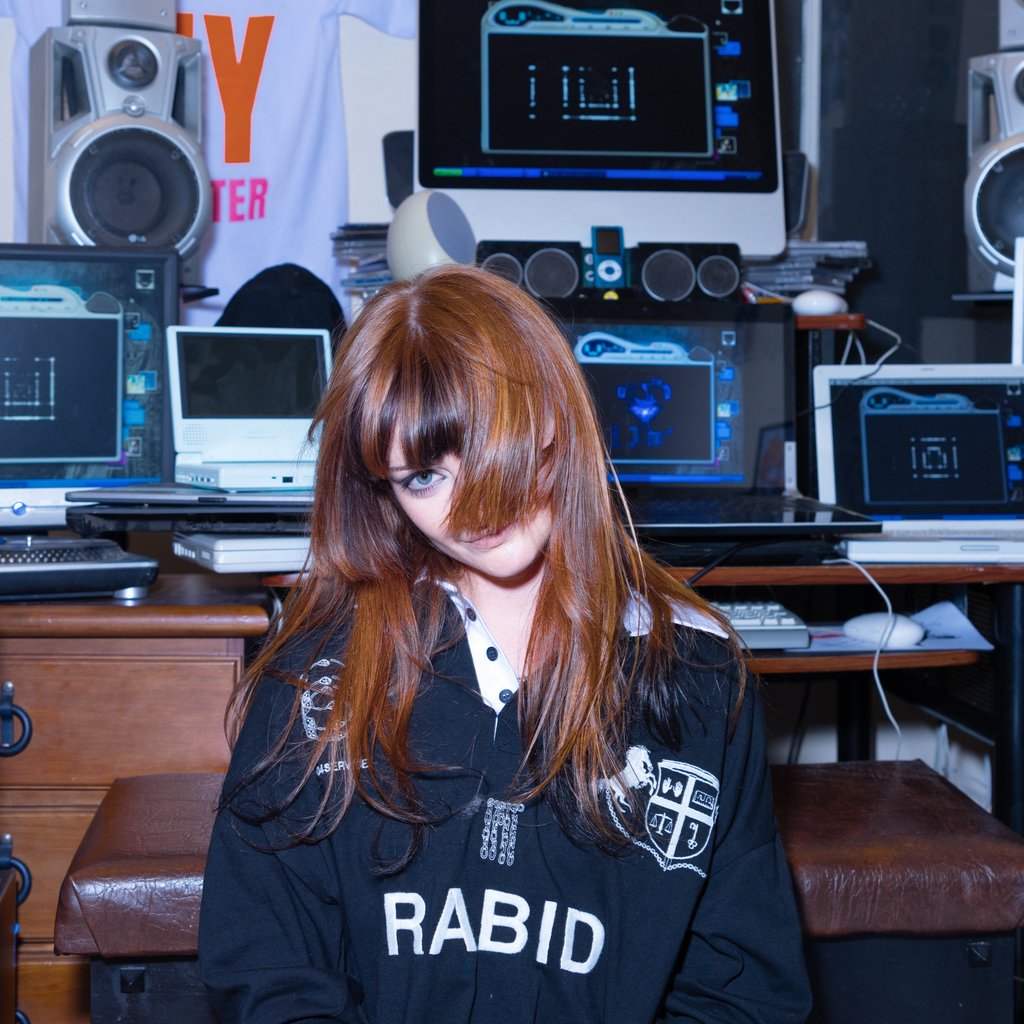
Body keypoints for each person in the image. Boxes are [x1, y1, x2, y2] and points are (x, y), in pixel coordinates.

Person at [198, 264, 812, 1024]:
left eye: (497, 446)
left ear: (559, 415)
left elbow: (741, 990)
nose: (475, 506)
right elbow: (265, 971)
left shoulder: (700, 675)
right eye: (424, 477)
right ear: (381, 490)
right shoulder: (313, 678)